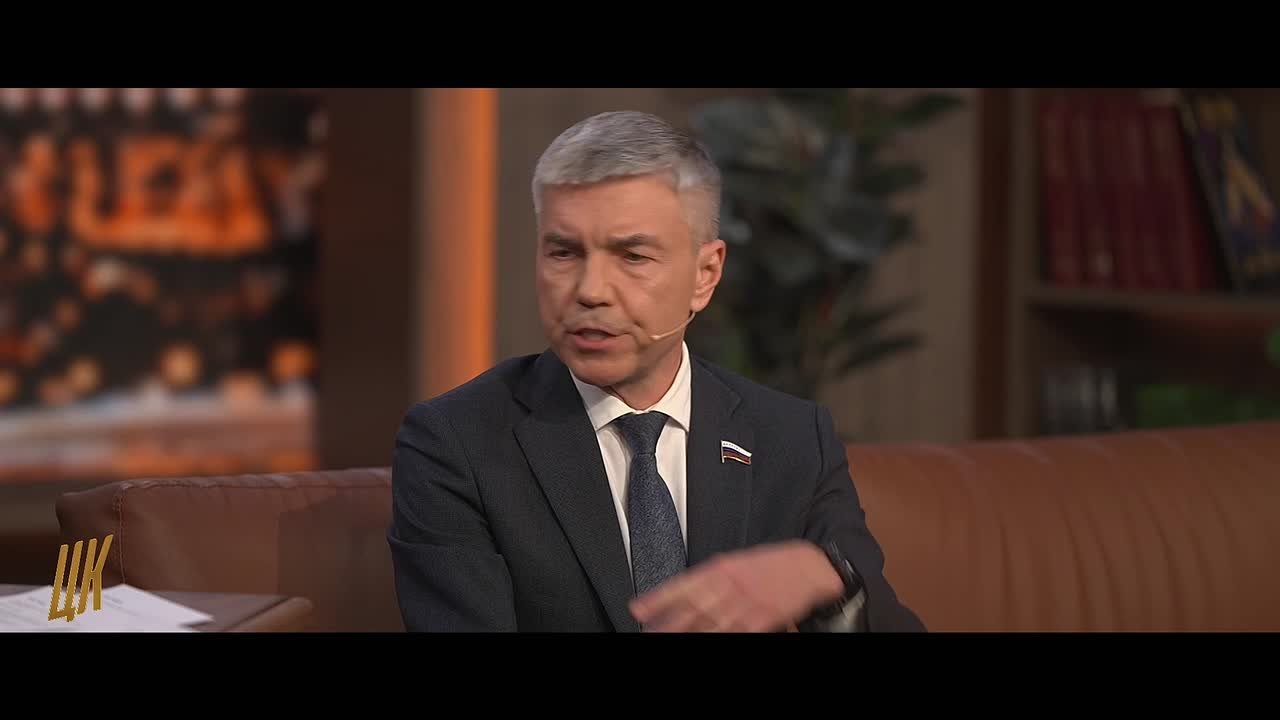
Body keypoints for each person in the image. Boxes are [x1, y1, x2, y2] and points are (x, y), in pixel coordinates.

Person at [387, 110, 925, 632]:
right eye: (564, 252)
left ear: (705, 274)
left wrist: (826, 579)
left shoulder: (791, 438)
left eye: (632, 256)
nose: (590, 291)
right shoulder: (456, 443)